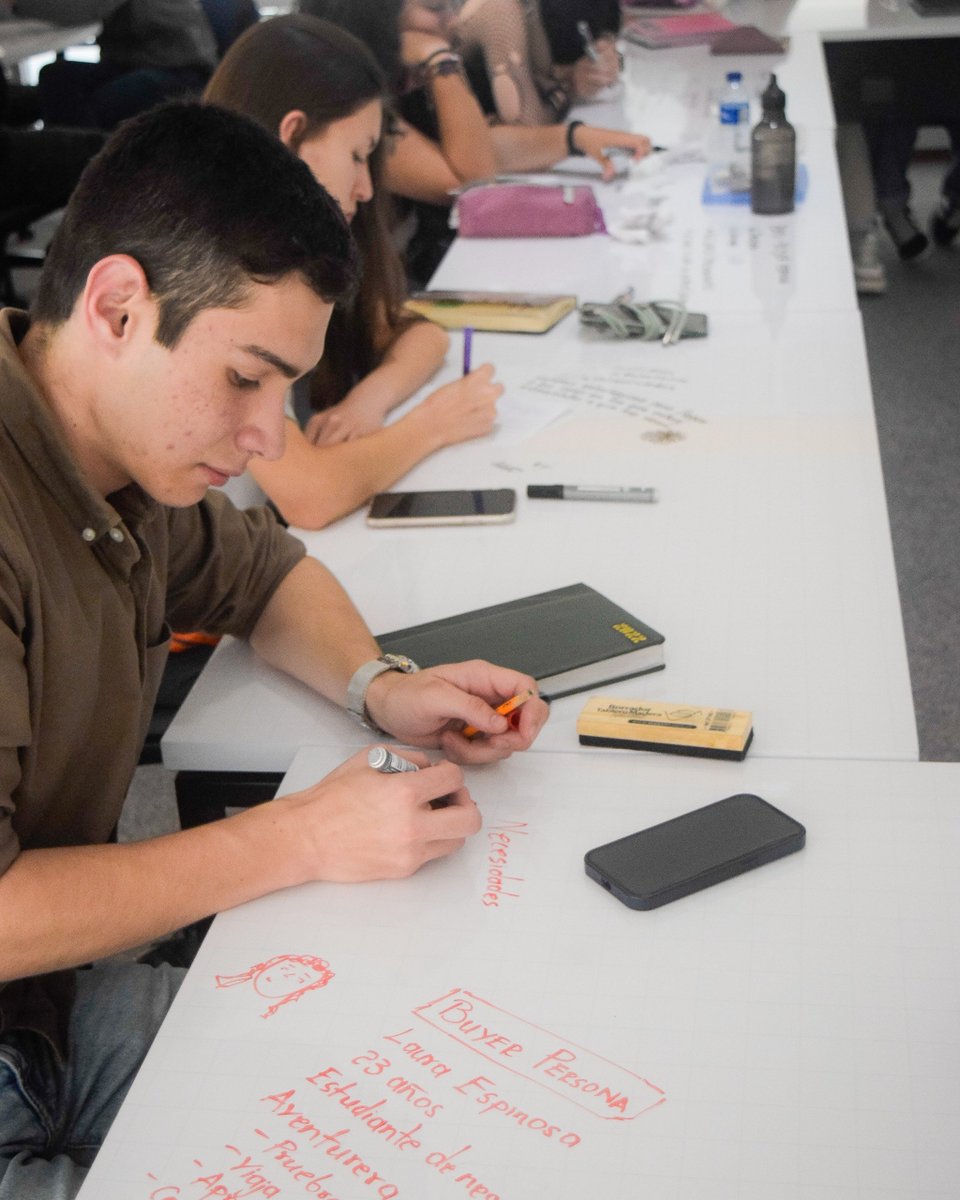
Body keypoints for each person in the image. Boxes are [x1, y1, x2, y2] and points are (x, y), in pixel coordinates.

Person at [0, 101, 548, 1196]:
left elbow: (266, 570)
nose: (263, 436)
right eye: (246, 378)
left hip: (54, 1000)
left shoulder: (121, 453)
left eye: (283, 390)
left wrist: (381, 686)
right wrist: (300, 836)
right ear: (116, 305)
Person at [203, 14, 502, 529]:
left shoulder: (301, 247)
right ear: (293, 135)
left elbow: (420, 334)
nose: (365, 189)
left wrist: (369, 401)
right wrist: (433, 425)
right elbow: (310, 496)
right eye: (357, 156)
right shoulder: (221, 277)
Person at [302, 0, 652, 280]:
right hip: (380, 300)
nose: (453, 20)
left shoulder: (390, 81)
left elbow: (472, 151)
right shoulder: (345, 105)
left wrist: (575, 138)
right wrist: (439, 58)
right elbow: (471, 178)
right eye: (435, 8)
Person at [9, 0, 217, 129]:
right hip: (134, 60)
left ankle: (86, 171)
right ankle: (71, 165)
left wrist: (16, 3)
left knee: (101, 105)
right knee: (55, 76)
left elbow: (87, 8)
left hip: (181, 69)